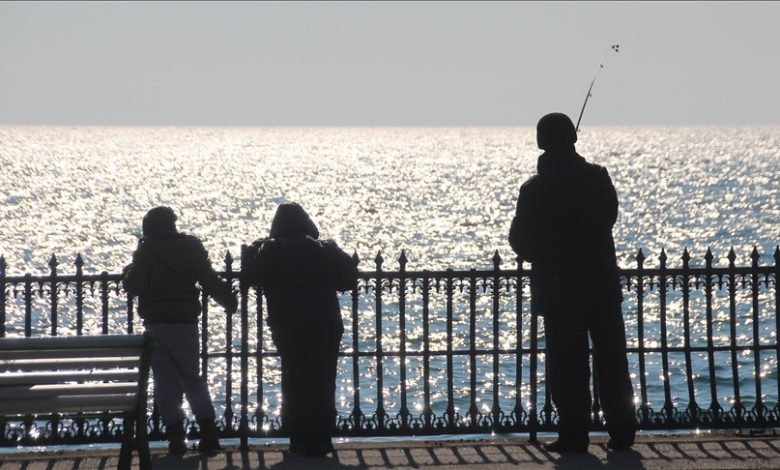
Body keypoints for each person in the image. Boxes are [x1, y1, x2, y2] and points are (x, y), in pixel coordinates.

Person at [509, 113, 636, 452]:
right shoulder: (597, 177)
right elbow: (609, 217)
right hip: (601, 285)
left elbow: (519, 241)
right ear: (573, 139)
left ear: (541, 143)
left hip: (559, 288)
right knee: (612, 359)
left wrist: (550, 252)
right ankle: (622, 431)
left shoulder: (535, 189)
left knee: (567, 365)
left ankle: (573, 435)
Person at [243, 202, 357, 457]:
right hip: (325, 322)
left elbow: (250, 276)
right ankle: (322, 438)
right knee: (323, 380)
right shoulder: (325, 249)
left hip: (289, 323)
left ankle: (299, 438)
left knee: (294, 379)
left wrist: (253, 250)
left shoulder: (272, 250)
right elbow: (348, 278)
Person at [123, 206, 238, 455]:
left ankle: (176, 438)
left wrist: (128, 272)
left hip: (156, 324)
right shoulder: (192, 248)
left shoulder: (146, 250)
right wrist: (229, 301)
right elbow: (209, 279)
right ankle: (209, 433)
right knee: (192, 379)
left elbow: (136, 286)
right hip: (185, 322)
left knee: (165, 381)